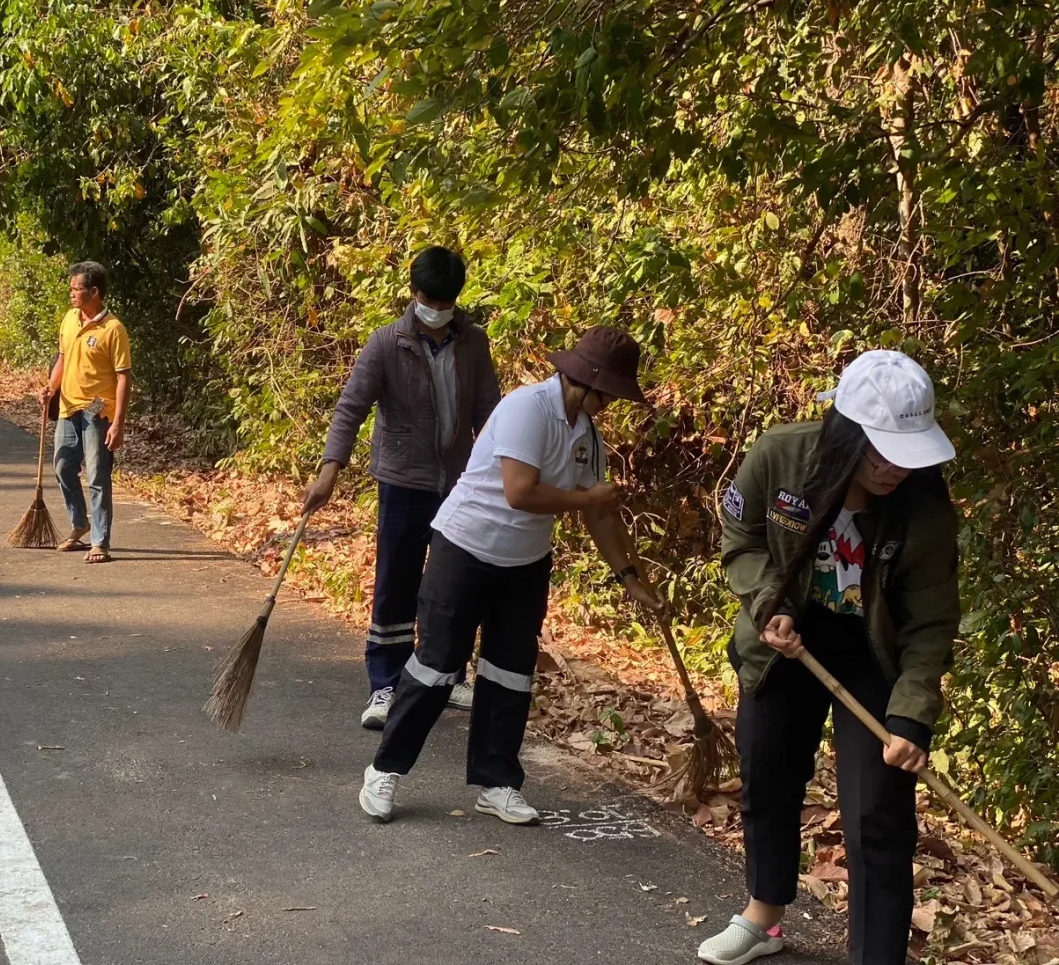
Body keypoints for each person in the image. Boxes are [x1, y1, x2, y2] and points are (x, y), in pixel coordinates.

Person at [698, 350, 960, 965]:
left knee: (878, 811)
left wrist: (911, 716)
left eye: (908, 453)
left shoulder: (925, 509)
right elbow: (741, 538)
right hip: (785, 644)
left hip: (875, 657)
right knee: (768, 773)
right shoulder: (781, 455)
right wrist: (768, 603)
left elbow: (930, 623)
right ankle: (764, 917)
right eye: (882, 453)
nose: (897, 469)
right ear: (847, 434)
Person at [359, 326, 663, 825]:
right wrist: (588, 499)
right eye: (611, 392)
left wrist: (629, 575)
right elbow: (521, 492)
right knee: (436, 667)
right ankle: (385, 768)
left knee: (510, 673)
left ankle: (496, 781)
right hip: (465, 549)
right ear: (587, 382)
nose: (613, 403)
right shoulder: (528, 408)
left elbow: (600, 516)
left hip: (524, 565)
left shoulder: (587, 434)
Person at [302, 247, 502, 729]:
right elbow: (351, 408)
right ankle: (385, 683)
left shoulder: (473, 343)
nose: (438, 308)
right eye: (431, 298)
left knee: (453, 584)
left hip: (458, 485)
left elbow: (490, 412)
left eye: (447, 299)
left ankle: (448, 674)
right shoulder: (386, 343)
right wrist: (330, 469)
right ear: (415, 294)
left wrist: (498, 472)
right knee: (397, 580)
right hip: (402, 482)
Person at [38, 261, 131, 565]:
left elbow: (123, 378)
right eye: (71, 289)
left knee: (97, 475)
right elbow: (63, 359)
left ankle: (100, 541)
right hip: (68, 406)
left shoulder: (113, 329)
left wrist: (118, 423)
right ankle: (80, 523)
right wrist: (51, 387)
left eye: (76, 289)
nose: (72, 294)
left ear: (94, 291)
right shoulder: (69, 319)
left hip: (98, 410)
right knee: (63, 466)